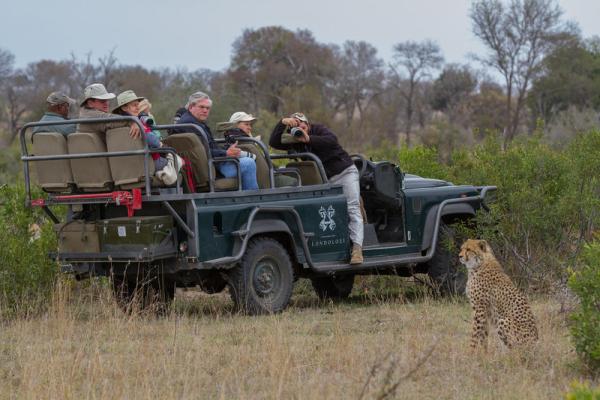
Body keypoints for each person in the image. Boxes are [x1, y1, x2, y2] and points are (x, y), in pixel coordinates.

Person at [269, 112, 364, 264]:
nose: (301, 128)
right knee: (332, 212)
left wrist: (309, 139)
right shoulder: (295, 140)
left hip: (344, 173)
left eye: (303, 125)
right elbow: (274, 142)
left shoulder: (319, 130)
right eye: (296, 126)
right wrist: (283, 122)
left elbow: (332, 140)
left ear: (308, 124)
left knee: (352, 208)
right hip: (325, 180)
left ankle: (357, 250)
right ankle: (337, 248)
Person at [171, 92, 258, 190]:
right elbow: (204, 151)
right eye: (202, 107)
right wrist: (226, 153)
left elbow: (207, 147)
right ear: (191, 107)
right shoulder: (192, 126)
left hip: (206, 164)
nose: (205, 111)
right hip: (212, 165)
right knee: (249, 163)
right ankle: (253, 199)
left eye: (207, 108)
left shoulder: (189, 123)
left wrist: (226, 150)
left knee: (247, 157)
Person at [112, 90, 182, 184]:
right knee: (179, 163)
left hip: (127, 167)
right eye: (134, 105)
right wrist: (162, 146)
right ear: (124, 108)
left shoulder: (115, 125)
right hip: (149, 162)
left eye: (138, 104)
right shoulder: (136, 124)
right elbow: (154, 142)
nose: (138, 107)